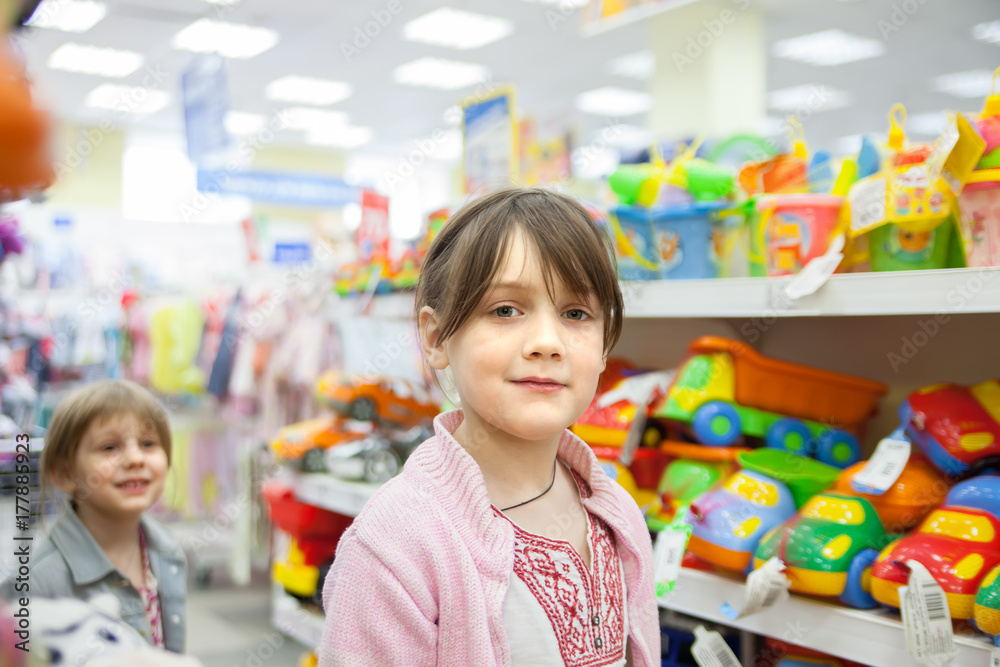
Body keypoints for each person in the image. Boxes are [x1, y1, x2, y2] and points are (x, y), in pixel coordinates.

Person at [319, 187, 660, 666]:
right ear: (436, 338)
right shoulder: (395, 547)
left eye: (576, 314)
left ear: (604, 344)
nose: (547, 342)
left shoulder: (617, 514)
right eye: (505, 310)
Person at [0, 380, 187, 653]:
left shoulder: (167, 550)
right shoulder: (38, 582)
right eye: (109, 448)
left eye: (148, 444)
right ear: (64, 473)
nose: (135, 458)